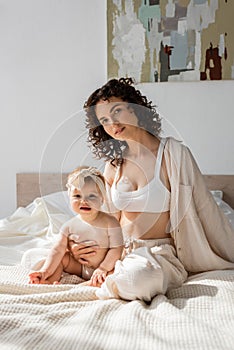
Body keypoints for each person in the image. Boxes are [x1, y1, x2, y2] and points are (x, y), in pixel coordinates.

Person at [69, 77, 234, 302]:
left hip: (158, 254)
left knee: (140, 280)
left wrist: (226, 249)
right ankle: (111, 274)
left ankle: (111, 282)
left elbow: (204, 207)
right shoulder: (114, 164)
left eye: (117, 111)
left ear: (136, 108)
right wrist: (82, 247)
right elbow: (105, 218)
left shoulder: (173, 154)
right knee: (37, 258)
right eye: (105, 120)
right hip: (119, 251)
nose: (112, 123)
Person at [28, 166, 123, 286]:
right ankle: (48, 280)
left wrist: (103, 268)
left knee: (118, 271)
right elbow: (57, 250)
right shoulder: (69, 226)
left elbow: (117, 249)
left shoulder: (110, 222)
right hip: (80, 268)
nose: (84, 201)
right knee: (62, 258)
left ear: (102, 199)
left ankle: (83, 286)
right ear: (69, 197)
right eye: (77, 196)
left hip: (104, 267)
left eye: (91, 196)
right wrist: (45, 271)